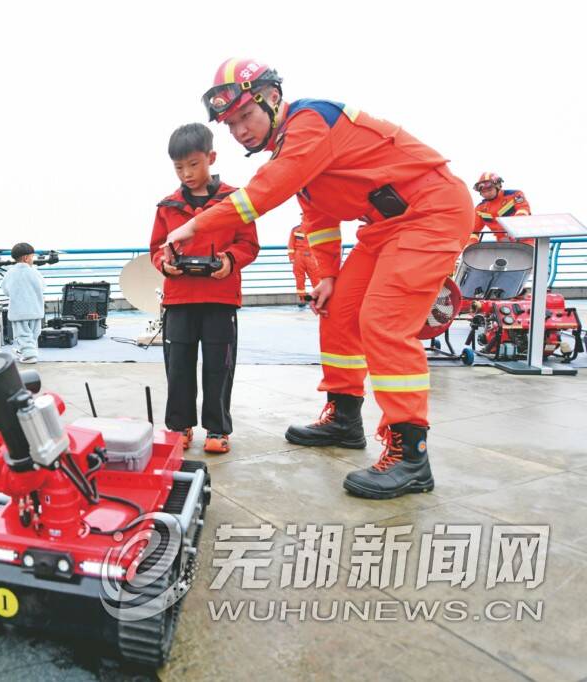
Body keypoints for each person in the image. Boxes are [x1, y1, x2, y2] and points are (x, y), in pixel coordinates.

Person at [165, 57, 474, 499]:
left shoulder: (311, 122)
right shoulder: (293, 151)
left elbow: (264, 192)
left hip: (431, 212)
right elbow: (320, 217)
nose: (240, 131)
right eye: (230, 124)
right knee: (339, 311)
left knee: (384, 323)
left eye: (246, 116)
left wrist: (195, 225)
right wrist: (327, 275)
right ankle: (345, 418)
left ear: (273, 98)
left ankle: (411, 455)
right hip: (384, 227)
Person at [149, 123, 260, 455]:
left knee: (219, 366)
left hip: (220, 299)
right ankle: (179, 427)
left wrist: (229, 260)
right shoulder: (167, 206)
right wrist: (165, 263)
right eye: (179, 167)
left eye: (193, 164)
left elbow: (249, 245)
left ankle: (217, 428)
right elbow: (156, 248)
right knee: (178, 366)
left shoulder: (235, 200)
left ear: (211, 158)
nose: (186, 173)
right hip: (179, 299)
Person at [0, 242, 45, 364]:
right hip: (35, 310)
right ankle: (27, 351)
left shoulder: (10, 273)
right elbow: (42, 286)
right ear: (26, 258)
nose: (33, 260)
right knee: (34, 334)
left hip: (19, 311)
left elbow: (5, 290)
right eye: (32, 257)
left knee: (23, 335)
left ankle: (29, 355)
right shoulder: (34, 272)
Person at [469, 172, 533, 245]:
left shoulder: (515, 195)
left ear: (498, 186)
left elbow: (523, 209)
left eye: (489, 190)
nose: (486, 194)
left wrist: (514, 227)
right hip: (502, 245)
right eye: (483, 192)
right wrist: (471, 246)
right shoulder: (480, 209)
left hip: (525, 241)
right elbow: (473, 231)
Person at [287, 223, 321, 308]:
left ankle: (318, 298)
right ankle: (302, 299)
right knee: (299, 279)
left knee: (316, 278)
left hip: (311, 256)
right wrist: (292, 258)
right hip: (299, 257)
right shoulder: (295, 229)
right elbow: (291, 244)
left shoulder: (315, 228)